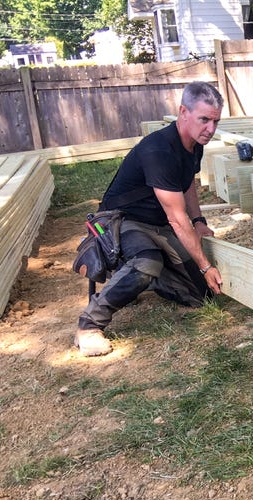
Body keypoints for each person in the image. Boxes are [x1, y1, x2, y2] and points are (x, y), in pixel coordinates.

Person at [74, 81, 225, 357]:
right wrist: (204, 265)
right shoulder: (159, 150)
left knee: (202, 296)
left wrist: (199, 220)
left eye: (215, 121)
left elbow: (187, 182)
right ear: (183, 112)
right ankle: (90, 325)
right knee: (147, 262)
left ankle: (148, 277)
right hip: (123, 221)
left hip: (158, 224)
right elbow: (177, 220)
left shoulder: (195, 143)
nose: (211, 129)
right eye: (204, 119)